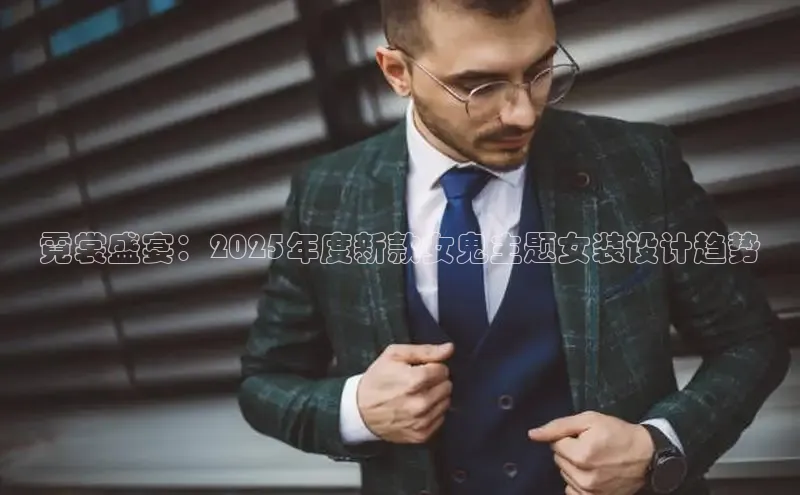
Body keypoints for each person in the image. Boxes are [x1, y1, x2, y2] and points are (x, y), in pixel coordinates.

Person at [237, 0, 790, 494]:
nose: (523, 112)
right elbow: (264, 381)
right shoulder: (325, 194)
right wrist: (354, 409)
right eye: (479, 86)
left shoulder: (639, 164)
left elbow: (750, 341)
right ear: (397, 72)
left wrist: (659, 445)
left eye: (540, 70)